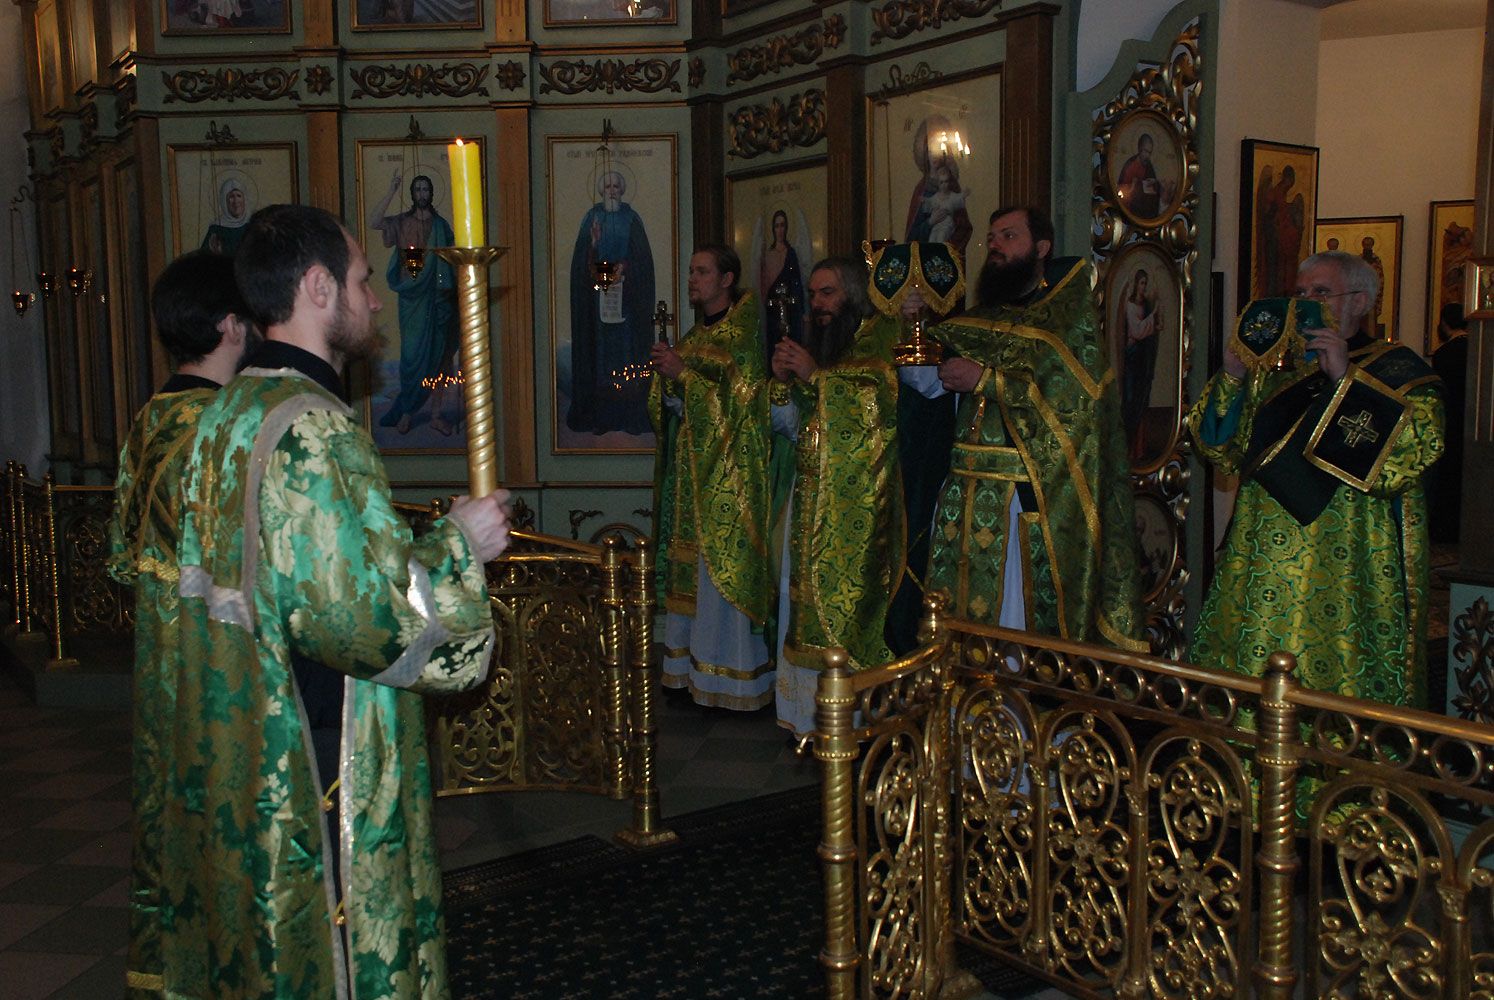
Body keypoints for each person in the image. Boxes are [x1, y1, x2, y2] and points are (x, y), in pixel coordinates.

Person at [162, 204, 511, 998]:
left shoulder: (228, 410)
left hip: (249, 726)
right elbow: (360, 622)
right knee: (338, 950)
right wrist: (460, 544)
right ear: (318, 289)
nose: (376, 299)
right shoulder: (312, 428)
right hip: (321, 743)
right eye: (360, 281)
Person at [1188, 251, 1444, 710]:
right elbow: (1218, 448)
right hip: (1261, 556)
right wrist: (1234, 373)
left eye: (1321, 293)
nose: (1306, 304)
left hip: (1347, 559)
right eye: (1300, 293)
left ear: (1360, 301)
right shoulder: (1278, 372)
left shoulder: (1401, 373)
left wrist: (1344, 377)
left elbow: (1410, 456)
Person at [106, 252, 258, 998]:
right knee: (224, 808)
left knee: (169, 807)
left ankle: (171, 967)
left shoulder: (150, 417)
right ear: (232, 325)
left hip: (159, 651)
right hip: (217, 655)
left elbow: (121, 553)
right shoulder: (221, 426)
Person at [905, 206, 1146, 649]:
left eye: (1009, 235)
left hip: (1023, 498)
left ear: (1041, 248)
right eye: (993, 236)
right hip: (961, 493)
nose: (995, 245)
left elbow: (1074, 407)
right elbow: (930, 385)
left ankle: (1016, 694)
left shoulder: (1066, 323)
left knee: (1014, 621)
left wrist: (986, 380)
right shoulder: (979, 319)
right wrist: (915, 329)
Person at [768, 257, 904, 736]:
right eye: (813, 294)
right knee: (801, 608)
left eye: (827, 292)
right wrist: (783, 384)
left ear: (854, 294)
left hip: (857, 511)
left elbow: (877, 407)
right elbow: (799, 424)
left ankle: (851, 722)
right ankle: (805, 717)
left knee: (848, 616)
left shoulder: (878, 339)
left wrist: (816, 377)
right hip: (811, 499)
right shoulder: (831, 348)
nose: (818, 304)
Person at [649, 245, 775, 708]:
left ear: (726, 279)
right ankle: (688, 672)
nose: (692, 279)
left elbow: (746, 405)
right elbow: (674, 407)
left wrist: (684, 377)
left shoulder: (744, 333)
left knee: (719, 573)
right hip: (689, 477)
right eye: (690, 271)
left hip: (729, 476)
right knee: (691, 575)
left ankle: (733, 680)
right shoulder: (693, 335)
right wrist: (666, 383)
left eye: (702, 271)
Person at [368, 171, 459, 435]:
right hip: (412, 298)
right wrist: (391, 190)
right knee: (412, 358)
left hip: (438, 297)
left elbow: (452, 259)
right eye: (417, 189)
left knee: (440, 357)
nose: (422, 194)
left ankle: (436, 415)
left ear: (431, 193)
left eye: (425, 189)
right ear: (412, 194)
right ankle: (407, 411)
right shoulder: (402, 222)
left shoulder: (441, 226)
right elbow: (375, 222)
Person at [568, 170, 655, 435]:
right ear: (601, 190)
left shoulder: (631, 218)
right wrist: (594, 243)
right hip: (599, 305)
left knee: (626, 358)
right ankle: (602, 417)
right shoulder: (592, 217)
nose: (612, 191)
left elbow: (641, 259)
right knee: (602, 359)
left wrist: (624, 269)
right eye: (607, 186)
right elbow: (583, 260)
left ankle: (629, 416)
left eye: (616, 186)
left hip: (626, 303)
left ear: (623, 189)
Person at [1427, 303, 1468, 543]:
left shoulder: (1444, 354)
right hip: (1472, 421)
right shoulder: (1478, 347)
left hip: (1449, 421)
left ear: (1443, 323)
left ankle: (1445, 529)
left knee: (1448, 475)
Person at [1120, 267, 1161, 459]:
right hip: (1132, 356)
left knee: (1142, 400)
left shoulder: (1146, 305)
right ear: (1136, 284)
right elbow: (1137, 331)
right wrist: (1153, 316)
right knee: (1131, 401)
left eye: (1146, 283)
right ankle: (1128, 447)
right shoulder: (1130, 306)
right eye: (1142, 283)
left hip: (1142, 358)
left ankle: (1138, 449)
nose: (1143, 287)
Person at [758, 209, 805, 356]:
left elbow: (797, 282)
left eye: (782, 225)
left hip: (791, 310)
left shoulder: (791, 253)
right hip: (772, 311)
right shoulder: (768, 254)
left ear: (787, 228)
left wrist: (802, 311)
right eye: (777, 226)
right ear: (773, 229)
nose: (780, 229)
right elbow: (763, 286)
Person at [1116, 132, 1163, 219]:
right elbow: (1121, 189)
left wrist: (1154, 182)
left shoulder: (1148, 165)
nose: (1147, 155)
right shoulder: (1131, 165)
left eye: (1150, 153)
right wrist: (1134, 186)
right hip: (1133, 206)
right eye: (1145, 151)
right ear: (1139, 149)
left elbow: (1153, 186)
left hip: (1146, 206)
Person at [201, 177, 251, 257]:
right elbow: (203, 258)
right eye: (231, 197)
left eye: (239, 196)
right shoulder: (216, 228)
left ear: (244, 199)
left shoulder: (252, 225)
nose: (236, 201)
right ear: (224, 201)